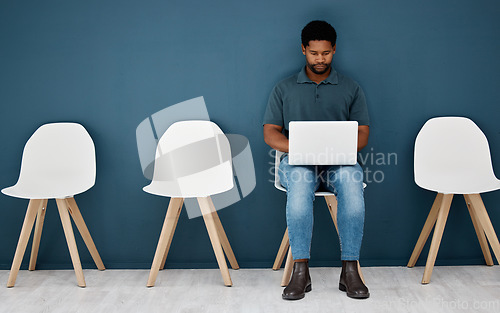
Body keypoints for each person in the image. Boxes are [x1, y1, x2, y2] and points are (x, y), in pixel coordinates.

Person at [262, 20, 370, 300]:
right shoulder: (284, 88)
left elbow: (362, 134)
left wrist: (336, 150)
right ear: (303, 50)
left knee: (352, 188)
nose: (319, 59)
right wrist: (301, 148)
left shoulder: (351, 88)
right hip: (298, 162)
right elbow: (270, 133)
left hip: (340, 163)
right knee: (298, 193)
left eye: (325, 53)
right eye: (313, 53)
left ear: (334, 50)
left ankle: (350, 271)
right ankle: (301, 272)